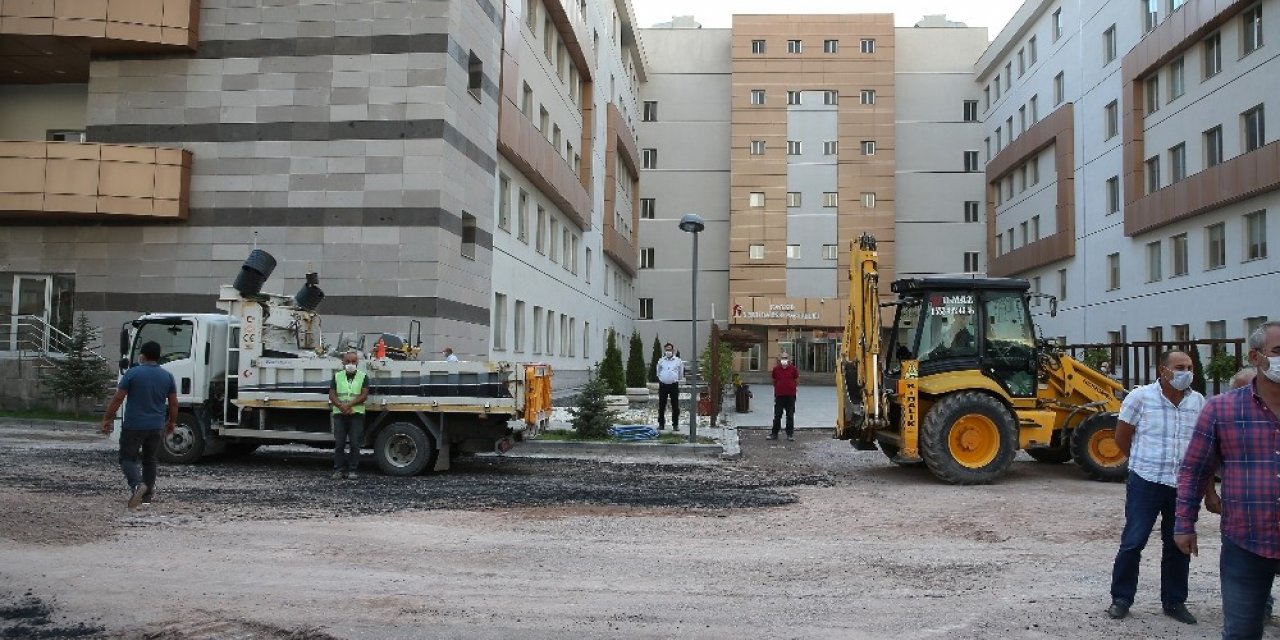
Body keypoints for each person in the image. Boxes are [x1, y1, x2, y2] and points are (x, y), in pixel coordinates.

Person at [1176, 322, 1280, 639]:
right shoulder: (1222, 409)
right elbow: (1195, 469)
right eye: (1278, 351)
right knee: (1241, 631)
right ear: (1255, 357)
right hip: (1246, 541)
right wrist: (1184, 523)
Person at [1106, 349, 1204, 625]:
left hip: (1182, 486)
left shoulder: (1197, 401)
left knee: (1179, 544)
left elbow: (1201, 445)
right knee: (1133, 541)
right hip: (1146, 481)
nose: (1186, 372)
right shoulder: (1140, 397)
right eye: (1180, 367)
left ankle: (1174, 601)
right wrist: (1141, 461)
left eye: (1189, 367)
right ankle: (1121, 599)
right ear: (1163, 370)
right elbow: (1122, 437)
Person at [100, 340, 178, 509]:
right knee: (150, 460)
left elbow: (118, 398)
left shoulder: (133, 373)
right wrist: (172, 422)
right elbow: (173, 403)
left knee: (127, 458)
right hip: (156, 426)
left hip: (134, 425)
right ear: (158, 356)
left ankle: (137, 485)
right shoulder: (167, 376)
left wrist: (107, 418)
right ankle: (147, 497)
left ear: (142, 355)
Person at [328, 351, 369, 479]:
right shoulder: (337, 376)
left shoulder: (363, 376)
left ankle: (352, 470)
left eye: (353, 361)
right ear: (343, 362)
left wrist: (348, 405)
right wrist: (341, 406)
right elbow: (332, 394)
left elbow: (364, 395)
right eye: (348, 361)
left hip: (356, 414)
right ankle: (338, 469)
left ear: (357, 362)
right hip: (339, 414)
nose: (350, 364)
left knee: (355, 444)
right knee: (339, 444)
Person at [768, 351, 799, 442]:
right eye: (782, 358)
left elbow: (797, 380)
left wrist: (792, 387)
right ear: (779, 359)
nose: (784, 360)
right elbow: (773, 381)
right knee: (777, 415)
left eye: (785, 358)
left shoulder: (793, 369)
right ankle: (774, 433)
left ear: (789, 359)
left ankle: (790, 434)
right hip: (779, 396)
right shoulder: (776, 369)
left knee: (790, 415)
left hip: (790, 396)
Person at [655, 342, 683, 431]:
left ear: (673, 350)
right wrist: (663, 378)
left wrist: (675, 378)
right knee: (661, 405)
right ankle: (661, 424)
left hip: (674, 385)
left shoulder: (678, 361)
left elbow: (680, 373)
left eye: (670, 350)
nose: (668, 351)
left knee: (675, 405)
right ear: (665, 350)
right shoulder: (661, 361)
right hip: (663, 385)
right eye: (667, 350)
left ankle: (675, 425)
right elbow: (658, 372)